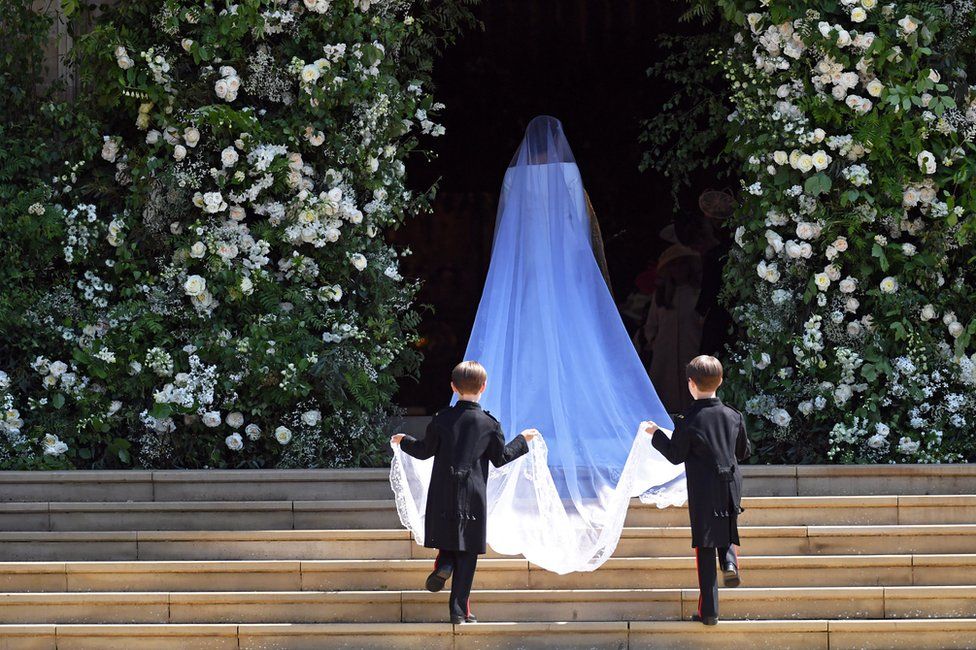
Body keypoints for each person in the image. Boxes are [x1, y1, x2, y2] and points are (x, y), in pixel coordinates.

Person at [391, 360, 539, 624]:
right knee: (468, 552)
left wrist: (404, 442)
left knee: (448, 539)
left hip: (443, 492)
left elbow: (425, 451)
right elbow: (501, 458)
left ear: (453, 387)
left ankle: (445, 562)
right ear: (484, 387)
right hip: (473, 494)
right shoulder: (489, 423)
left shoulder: (441, 418)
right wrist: (523, 440)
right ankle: (459, 612)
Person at [643, 355, 751, 625]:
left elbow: (675, 455)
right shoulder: (734, 416)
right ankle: (729, 563)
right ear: (721, 381)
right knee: (727, 525)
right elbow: (744, 451)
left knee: (704, 545)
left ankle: (709, 612)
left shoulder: (688, 420)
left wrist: (655, 434)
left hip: (704, 488)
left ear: (691, 384)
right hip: (731, 483)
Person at [643, 243, 703, 413]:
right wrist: (654, 341)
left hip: (691, 348)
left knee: (691, 390)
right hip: (665, 354)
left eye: (682, 264)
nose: (678, 269)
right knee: (665, 392)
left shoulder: (696, 292)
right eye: (674, 265)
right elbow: (652, 324)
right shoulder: (662, 295)